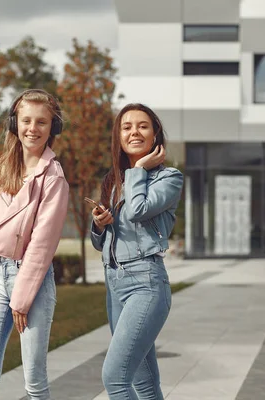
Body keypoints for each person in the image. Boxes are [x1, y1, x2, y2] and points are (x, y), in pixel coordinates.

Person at [0, 89, 69, 400]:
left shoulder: (53, 177)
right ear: (15, 123)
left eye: (42, 122)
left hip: (33, 284)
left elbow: (41, 246)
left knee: (34, 380)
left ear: (53, 127)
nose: (33, 128)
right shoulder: (3, 169)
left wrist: (22, 299)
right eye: (26, 120)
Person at [90, 103, 183, 399]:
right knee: (143, 381)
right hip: (115, 284)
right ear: (118, 136)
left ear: (155, 134)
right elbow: (100, 244)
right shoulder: (113, 182)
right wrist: (100, 225)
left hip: (147, 283)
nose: (134, 132)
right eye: (126, 127)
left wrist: (139, 169)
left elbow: (139, 210)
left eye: (143, 126)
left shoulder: (169, 178)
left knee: (115, 377)